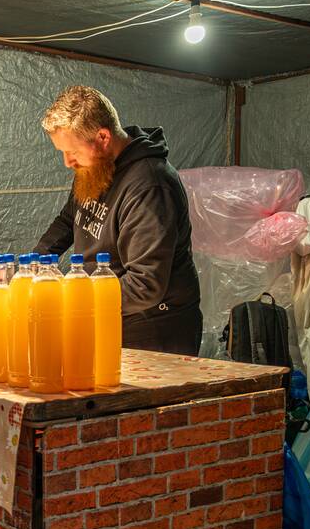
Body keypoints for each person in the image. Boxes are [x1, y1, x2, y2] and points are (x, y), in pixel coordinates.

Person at [34, 86, 202, 354]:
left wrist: (74, 297)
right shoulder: (95, 168)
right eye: (62, 152)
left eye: (72, 152)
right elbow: (69, 218)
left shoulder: (150, 185)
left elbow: (146, 284)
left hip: (153, 327)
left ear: (102, 137)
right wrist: (35, 264)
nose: (67, 162)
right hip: (105, 310)